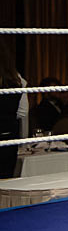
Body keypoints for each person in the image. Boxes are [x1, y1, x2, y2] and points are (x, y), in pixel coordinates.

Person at [0, 39, 24, 178]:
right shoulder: (16, 80)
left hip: (8, 136)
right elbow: (23, 112)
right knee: (5, 181)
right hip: (9, 136)